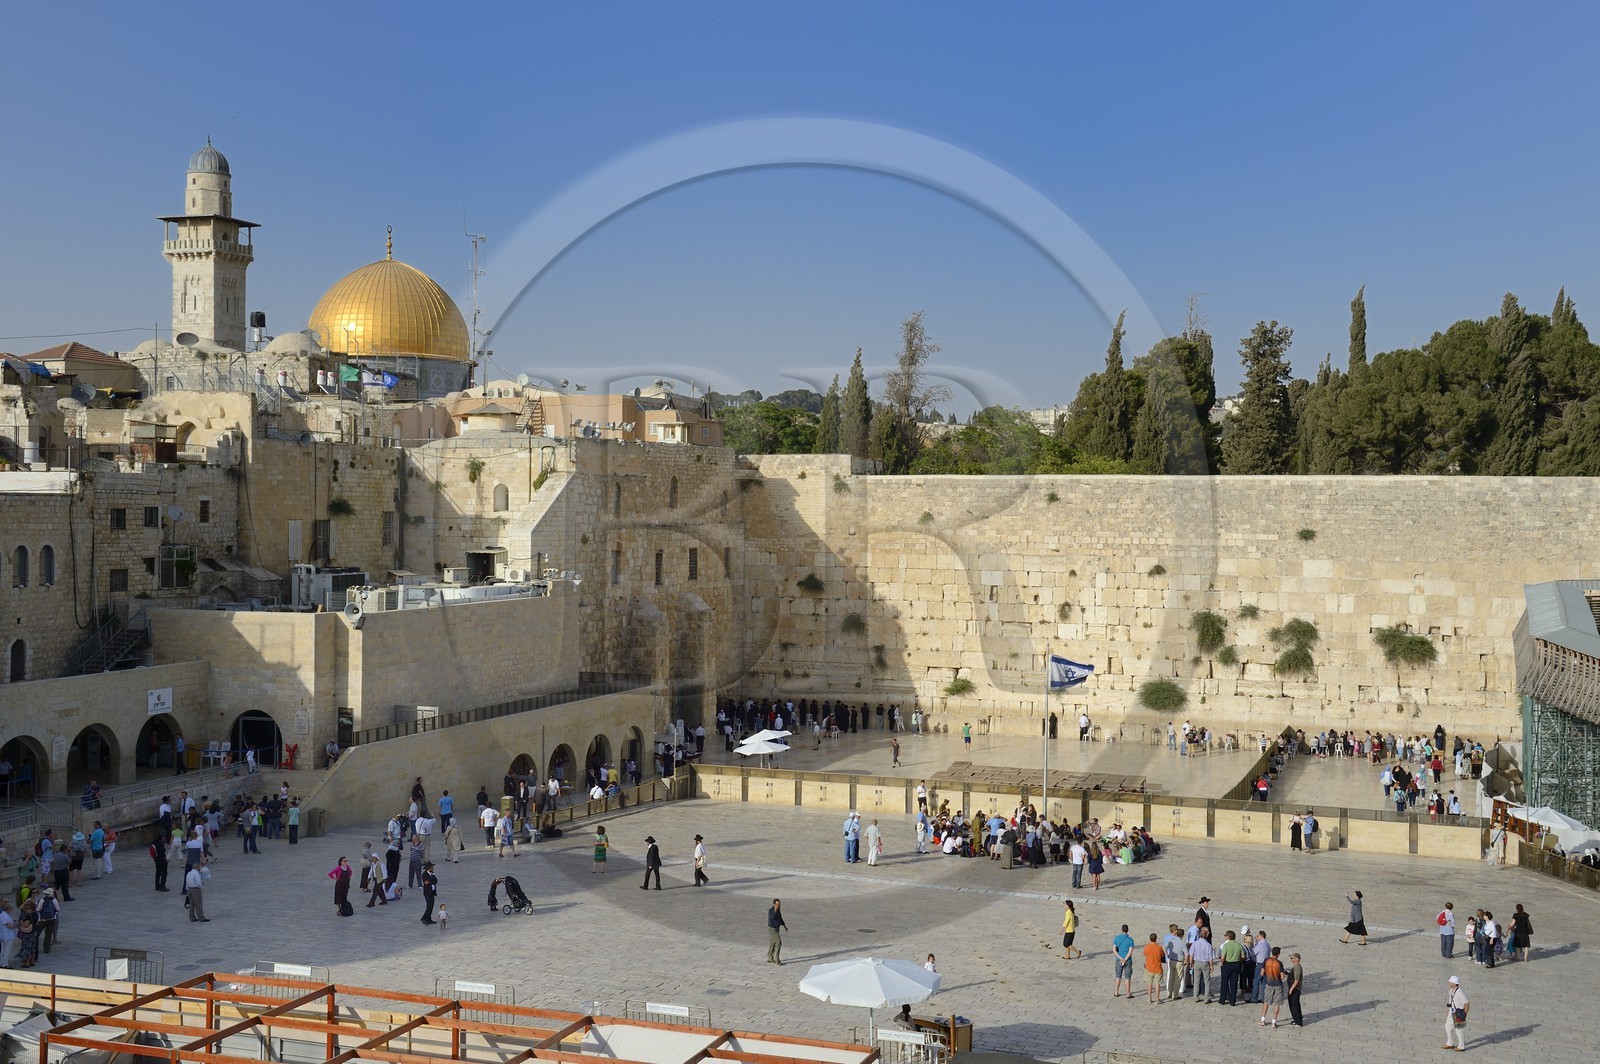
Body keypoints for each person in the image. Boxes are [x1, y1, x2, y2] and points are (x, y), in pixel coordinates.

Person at [1258, 946, 1286, 1028]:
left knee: (1266, 1002)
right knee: (1277, 1004)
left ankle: (1263, 1020)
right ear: (1278, 954)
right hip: (1278, 985)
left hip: (1269, 984)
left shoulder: (1266, 960)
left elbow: (1262, 973)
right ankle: (1274, 1022)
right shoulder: (1279, 963)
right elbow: (1282, 977)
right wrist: (1285, 974)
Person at [1189, 927, 1216, 1003]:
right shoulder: (1208, 945)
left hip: (1197, 962)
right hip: (1205, 963)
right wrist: (1211, 966)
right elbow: (1210, 957)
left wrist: (1191, 962)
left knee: (1196, 981)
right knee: (1207, 981)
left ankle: (1196, 997)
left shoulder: (1195, 943)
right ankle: (1206, 998)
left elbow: (1191, 954)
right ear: (1206, 936)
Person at [1218, 930, 1245, 1006]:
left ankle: (1222, 999)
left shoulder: (1226, 945)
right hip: (1236, 964)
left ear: (1228, 937)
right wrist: (1238, 960)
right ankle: (1232, 1001)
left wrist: (1221, 962)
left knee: (1224, 982)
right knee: (1234, 983)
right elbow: (1243, 956)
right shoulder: (1239, 945)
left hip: (1227, 964)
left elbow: (1223, 957)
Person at [1444, 975, 1469, 1052]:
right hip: (1451, 1012)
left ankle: (1461, 1046)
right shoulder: (1451, 990)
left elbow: (1466, 1004)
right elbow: (1450, 1001)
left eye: (1450, 982)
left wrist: (1464, 1015)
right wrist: (1448, 1010)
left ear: (1454, 983)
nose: (1449, 983)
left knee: (1459, 1030)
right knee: (1447, 1027)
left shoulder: (1460, 992)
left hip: (1458, 1013)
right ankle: (1450, 1043)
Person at [1111, 924, 1135, 998]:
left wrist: (1120, 958)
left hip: (1119, 960)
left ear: (1121, 929)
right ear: (1128, 930)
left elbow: (1114, 950)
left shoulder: (1117, 938)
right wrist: (1125, 959)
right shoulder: (1130, 940)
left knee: (1118, 976)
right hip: (1128, 960)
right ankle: (1128, 993)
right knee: (1127, 977)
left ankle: (1116, 992)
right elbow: (1130, 952)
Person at [1163, 924, 1186, 1001]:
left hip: (1171, 960)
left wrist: (1167, 954)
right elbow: (1186, 954)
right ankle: (1175, 994)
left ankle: (1169, 992)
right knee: (1177, 978)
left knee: (1171, 976)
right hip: (1178, 961)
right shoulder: (1182, 943)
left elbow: (1164, 947)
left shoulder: (1169, 939)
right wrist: (1186, 960)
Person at [1142, 933, 1165, 1002]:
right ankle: (1157, 999)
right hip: (1158, 968)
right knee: (1157, 984)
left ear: (1150, 939)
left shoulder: (1147, 947)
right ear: (1156, 939)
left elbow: (1145, 954)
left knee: (1149, 983)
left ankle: (1149, 998)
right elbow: (1162, 955)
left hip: (1149, 968)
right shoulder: (1159, 948)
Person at [1286, 952, 1304, 1026]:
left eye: (1292, 958)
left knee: (1294, 1005)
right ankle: (1296, 1019)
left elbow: (1296, 980)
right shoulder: (1295, 967)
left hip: (1295, 990)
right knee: (1293, 1005)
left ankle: (1298, 1022)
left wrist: (1291, 989)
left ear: (1297, 959)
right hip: (1293, 989)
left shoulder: (1297, 968)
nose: (1291, 959)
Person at [766, 899, 787, 964]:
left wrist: (784, 925)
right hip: (772, 929)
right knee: (778, 942)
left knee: (772, 943)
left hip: (777, 929)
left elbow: (780, 918)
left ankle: (770, 958)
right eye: (777, 904)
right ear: (774, 904)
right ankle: (777, 959)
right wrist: (775, 909)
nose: (779, 906)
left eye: (779, 904)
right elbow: (772, 917)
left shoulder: (778, 910)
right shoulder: (771, 910)